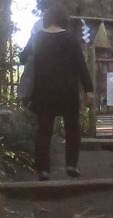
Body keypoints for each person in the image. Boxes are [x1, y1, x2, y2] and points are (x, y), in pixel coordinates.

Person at [23, 11, 93, 180]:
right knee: (72, 128)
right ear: (64, 21)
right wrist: (88, 90)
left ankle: (43, 170)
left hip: (43, 90)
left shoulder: (38, 38)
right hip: (67, 90)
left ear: (46, 21)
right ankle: (71, 165)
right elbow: (81, 65)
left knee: (44, 130)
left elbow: (22, 57)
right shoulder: (70, 39)